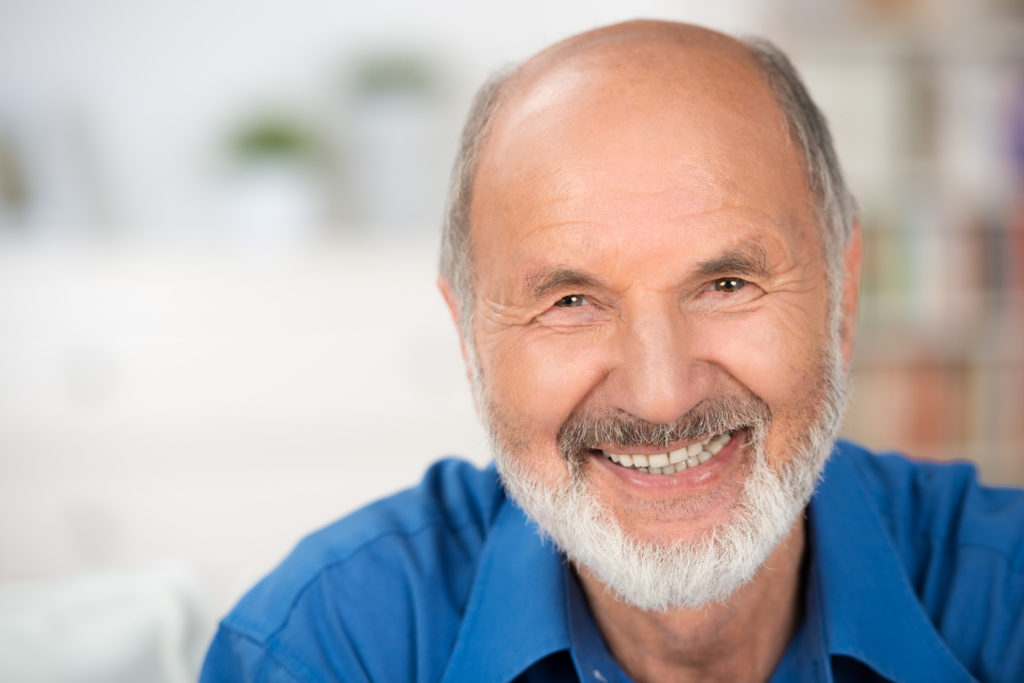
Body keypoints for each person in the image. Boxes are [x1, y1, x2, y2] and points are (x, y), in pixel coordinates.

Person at [200, 20, 1024, 682]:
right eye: (572, 302)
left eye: (728, 284)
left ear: (845, 297)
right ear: (469, 339)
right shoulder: (324, 647)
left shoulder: (1007, 598)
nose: (661, 395)